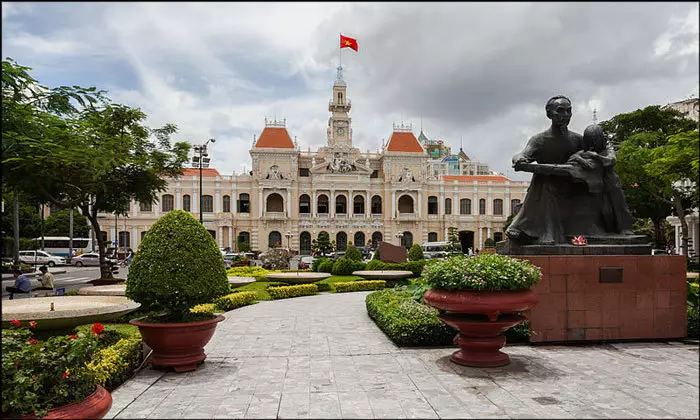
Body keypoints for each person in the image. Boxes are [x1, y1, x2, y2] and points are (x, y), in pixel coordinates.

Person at [507, 95, 584, 245]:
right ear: (549, 114)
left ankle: (529, 228)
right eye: (560, 111)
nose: (565, 116)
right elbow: (524, 154)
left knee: (547, 184)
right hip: (545, 186)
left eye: (568, 111)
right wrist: (519, 159)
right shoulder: (539, 140)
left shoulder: (578, 140)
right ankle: (541, 231)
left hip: (573, 187)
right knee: (545, 183)